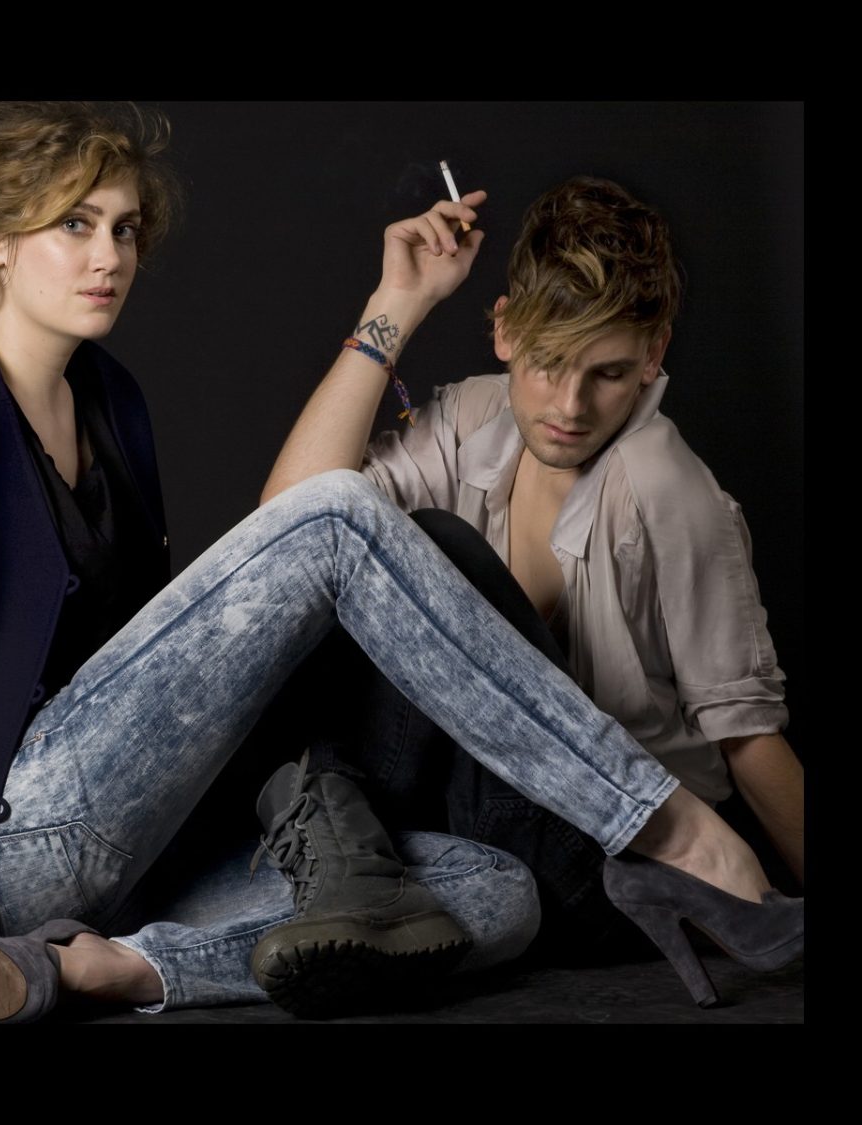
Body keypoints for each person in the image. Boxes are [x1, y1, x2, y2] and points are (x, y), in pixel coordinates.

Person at [0, 105, 798, 1020]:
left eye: (124, 228)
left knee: (497, 893)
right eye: (73, 225)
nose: (108, 255)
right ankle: (669, 830)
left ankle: (114, 973)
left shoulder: (112, 405)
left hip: (119, 854)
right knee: (337, 518)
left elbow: (170, 676)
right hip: (4, 840)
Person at [260, 175, 803, 994]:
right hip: (472, 820)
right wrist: (397, 303)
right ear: (506, 330)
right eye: (549, 362)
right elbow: (292, 531)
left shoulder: (668, 488)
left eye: (609, 372)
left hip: (608, 858)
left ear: (654, 353)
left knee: (436, 548)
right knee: (327, 611)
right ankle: (315, 892)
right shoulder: (472, 420)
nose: (570, 406)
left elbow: (747, 736)